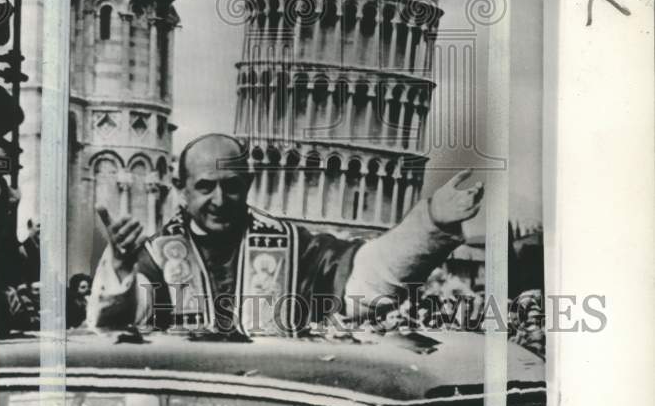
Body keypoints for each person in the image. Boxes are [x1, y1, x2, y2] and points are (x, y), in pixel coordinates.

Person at [88, 133, 484, 336]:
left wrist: (431, 222)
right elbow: (111, 331)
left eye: (233, 186)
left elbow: (366, 280)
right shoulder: (156, 257)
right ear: (182, 188)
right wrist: (120, 265)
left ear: (250, 184)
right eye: (206, 186)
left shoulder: (295, 248)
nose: (220, 200)